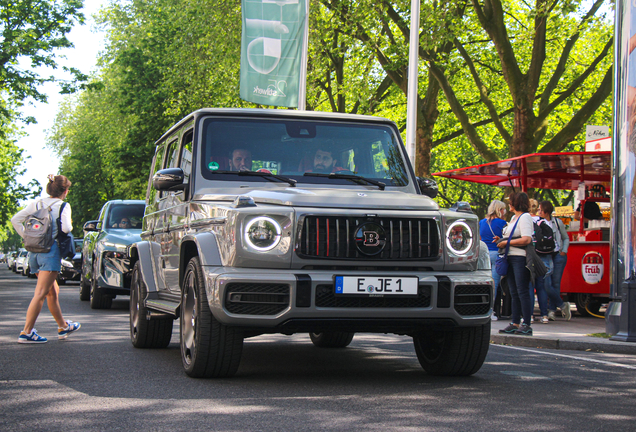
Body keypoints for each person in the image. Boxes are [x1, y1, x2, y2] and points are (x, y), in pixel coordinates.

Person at [11, 174, 81, 343]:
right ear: (65, 191)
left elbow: (15, 220)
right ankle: (26, 332)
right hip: (51, 252)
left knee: (52, 291)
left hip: (34, 253)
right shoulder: (63, 205)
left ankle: (63, 327)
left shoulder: (37, 203)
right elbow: (66, 228)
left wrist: (27, 236)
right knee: (41, 293)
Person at [495, 192, 535, 336]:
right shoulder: (513, 218)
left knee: (522, 290)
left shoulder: (525, 217)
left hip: (520, 258)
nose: (508, 204)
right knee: (513, 291)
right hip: (509, 257)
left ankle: (526, 323)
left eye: (511, 201)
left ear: (516, 203)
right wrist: (501, 239)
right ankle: (515, 322)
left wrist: (506, 242)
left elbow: (526, 239)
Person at [539, 201, 572, 321]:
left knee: (556, 283)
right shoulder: (538, 223)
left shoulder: (557, 222)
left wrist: (564, 250)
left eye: (540, 210)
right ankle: (562, 305)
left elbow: (565, 237)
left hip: (558, 254)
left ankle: (552, 310)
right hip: (546, 255)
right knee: (546, 284)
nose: (538, 212)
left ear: (545, 212)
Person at [479, 200, 507, 320]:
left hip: (484, 254)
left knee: (484, 283)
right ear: (500, 210)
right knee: (494, 284)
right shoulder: (503, 223)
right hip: (497, 254)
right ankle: (491, 311)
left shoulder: (481, 222)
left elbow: (480, 238)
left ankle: (481, 308)